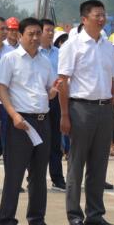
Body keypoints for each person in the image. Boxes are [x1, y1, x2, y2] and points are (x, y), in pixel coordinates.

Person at [57, 0, 114, 225]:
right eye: (97, 15)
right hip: (81, 108)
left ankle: (95, 213)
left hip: (104, 108)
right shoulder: (72, 45)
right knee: (77, 163)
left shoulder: (107, 46)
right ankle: (74, 214)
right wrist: (65, 114)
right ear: (84, 19)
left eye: (103, 15)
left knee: (99, 164)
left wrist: (113, 109)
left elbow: (112, 80)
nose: (102, 19)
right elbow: (63, 82)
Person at [0, 18, 59, 225]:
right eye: (30, 34)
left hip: (42, 120)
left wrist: (53, 92)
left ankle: (37, 219)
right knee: (15, 173)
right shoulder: (10, 59)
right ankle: (7, 220)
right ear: (20, 35)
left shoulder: (45, 61)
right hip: (20, 122)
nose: (35, 38)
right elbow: (1, 89)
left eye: (38, 33)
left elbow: (48, 90)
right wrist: (13, 115)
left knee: (39, 174)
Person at [38, 18, 67, 190]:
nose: (50, 33)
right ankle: (35, 177)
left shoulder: (60, 53)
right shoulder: (34, 53)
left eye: (52, 30)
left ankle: (57, 178)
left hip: (56, 100)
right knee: (38, 141)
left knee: (55, 140)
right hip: (38, 99)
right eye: (47, 30)